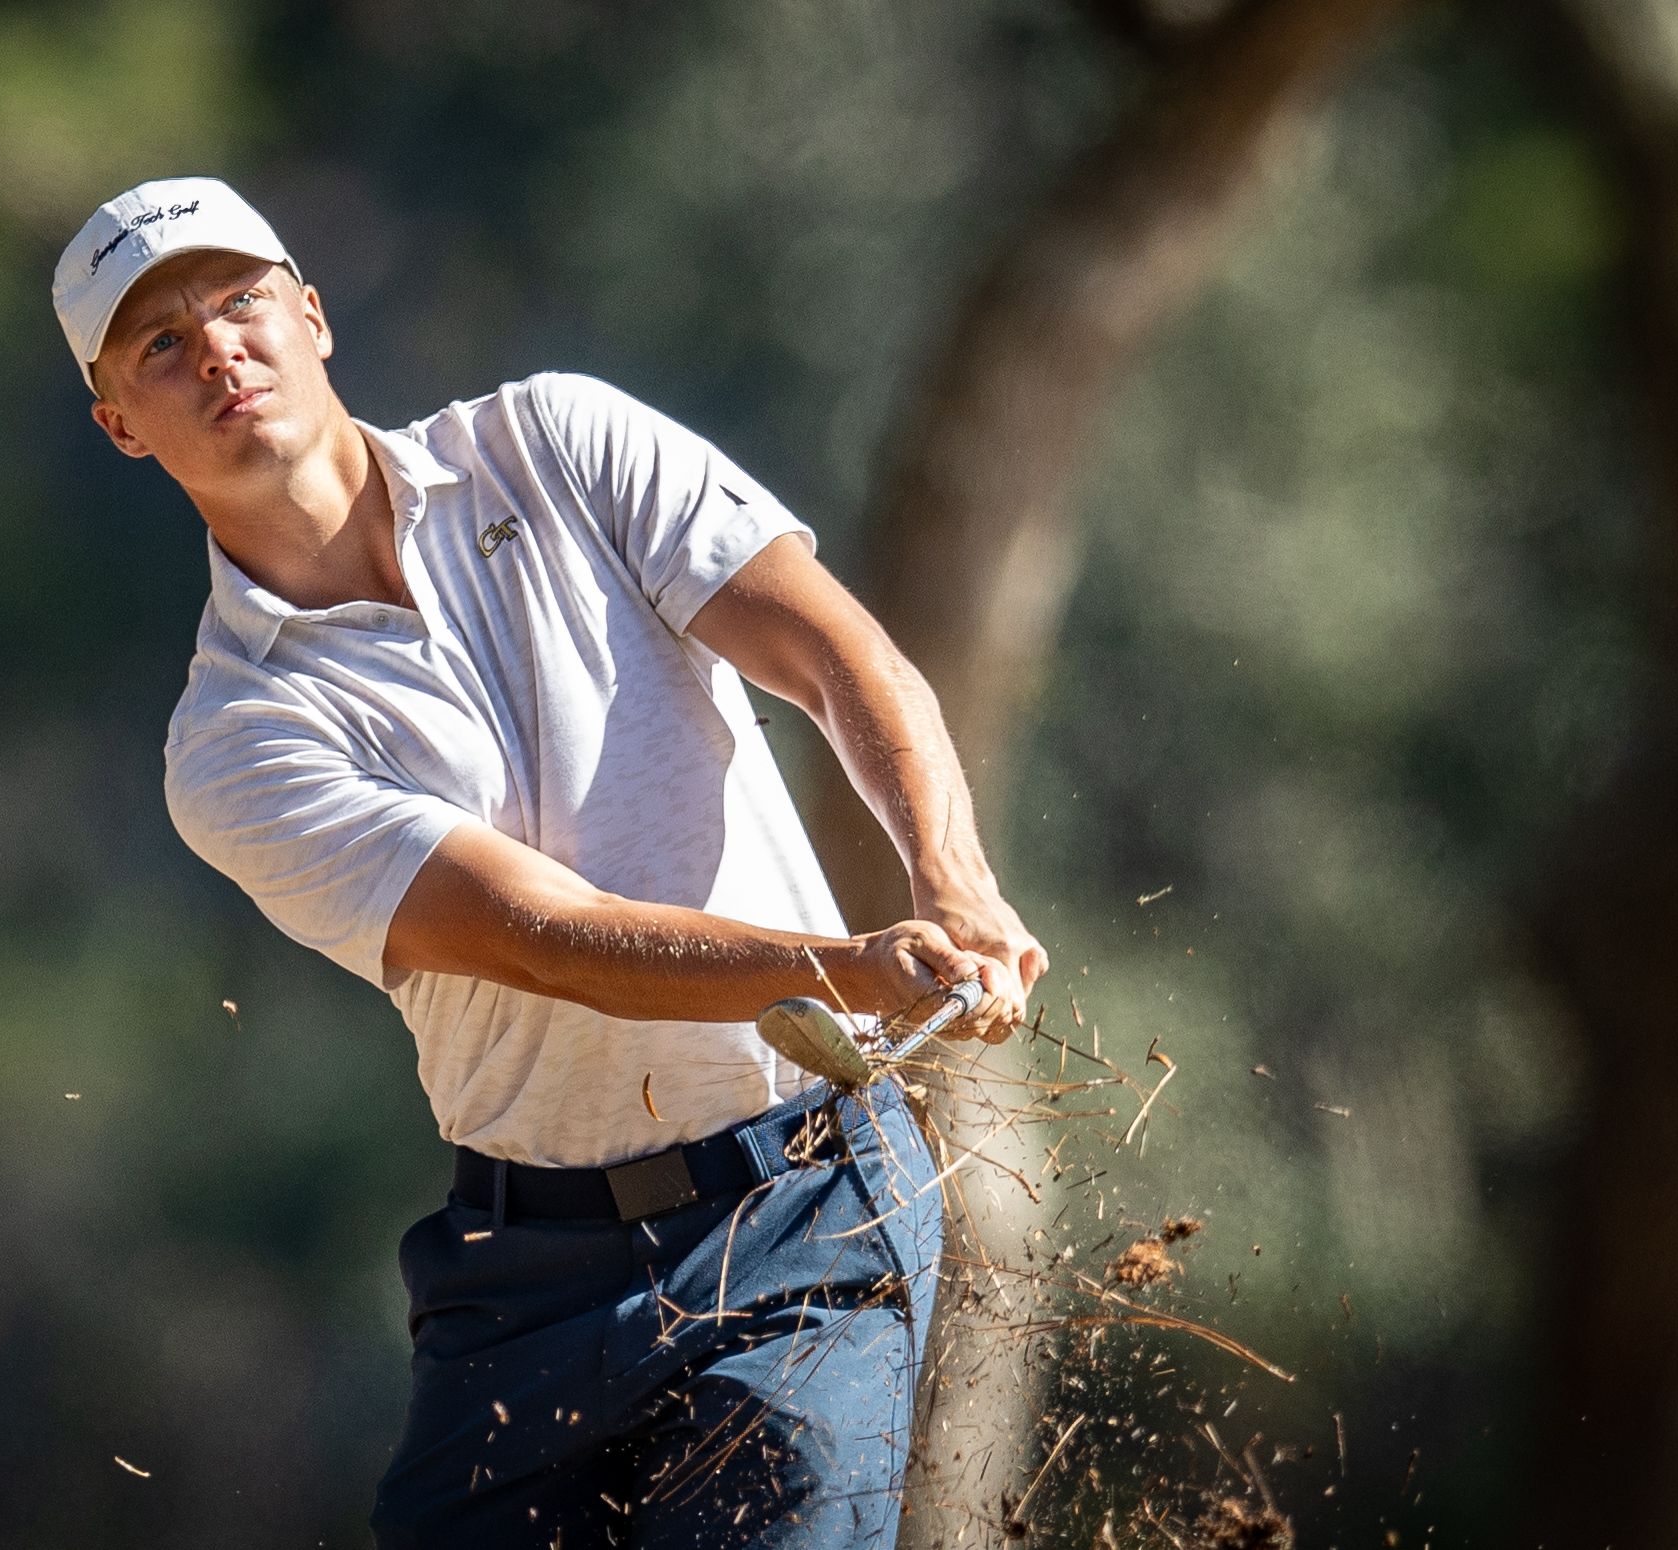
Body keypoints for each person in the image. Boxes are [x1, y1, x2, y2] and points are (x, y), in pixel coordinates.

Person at [51, 176, 1047, 1548]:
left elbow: (836, 656)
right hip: (523, 1277)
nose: (216, 345)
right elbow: (546, 937)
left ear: (313, 316)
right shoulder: (232, 738)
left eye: (239, 300)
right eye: (158, 343)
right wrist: (848, 969)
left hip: (801, 1202)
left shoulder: (558, 440)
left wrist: (949, 877)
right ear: (118, 423)